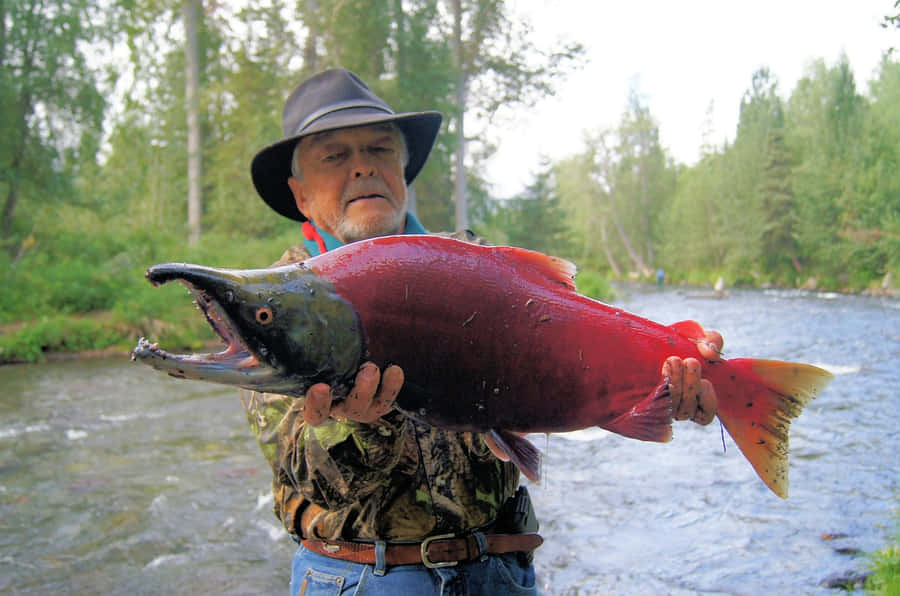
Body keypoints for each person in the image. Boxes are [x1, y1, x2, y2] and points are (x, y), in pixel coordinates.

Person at [243, 68, 723, 595]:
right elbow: (311, 480)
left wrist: (668, 376)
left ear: (403, 171)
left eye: (380, 150)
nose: (362, 168)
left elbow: (574, 359)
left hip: (502, 571)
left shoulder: (480, 265)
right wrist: (363, 424)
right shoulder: (275, 308)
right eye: (335, 157)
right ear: (301, 195)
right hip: (358, 580)